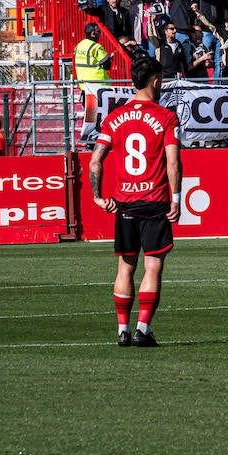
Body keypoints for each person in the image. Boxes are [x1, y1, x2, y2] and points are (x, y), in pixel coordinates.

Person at [89, 57, 182, 348]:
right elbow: (173, 162)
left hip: (124, 203)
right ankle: (143, 329)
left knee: (125, 267)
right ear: (156, 82)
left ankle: (122, 330)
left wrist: (98, 197)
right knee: (152, 267)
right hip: (155, 202)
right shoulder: (166, 117)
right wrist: (176, 198)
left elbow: (95, 161)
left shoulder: (114, 117)